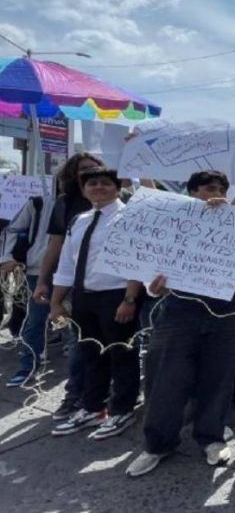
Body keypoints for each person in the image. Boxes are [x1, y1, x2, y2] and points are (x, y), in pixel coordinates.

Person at [126, 168, 235, 478]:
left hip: (226, 310)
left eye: (219, 188)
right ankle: (158, 444)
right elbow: (151, 268)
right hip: (179, 308)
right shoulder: (173, 221)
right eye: (206, 188)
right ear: (191, 193)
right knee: (165, 377)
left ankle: (211, 437)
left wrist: (232, 206)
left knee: (219, 376)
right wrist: (155, 284)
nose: (213, 193)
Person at [47, 169, 142, 439]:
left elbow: (137, 259)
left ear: (117, 186)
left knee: (121, 355)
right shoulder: (79, 220)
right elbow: (66, 263)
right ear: (83, 187)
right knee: (90, 354)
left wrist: (130, 298)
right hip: (83, 297)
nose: (98, 187)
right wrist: (56, 303)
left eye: (105, 183)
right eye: (92, 183)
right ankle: (93, 407)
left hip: (117, 297)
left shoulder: (130, 217)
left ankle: (122, 410)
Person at [33, 153, 106, 420]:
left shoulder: (119, 201)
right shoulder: (65, 204)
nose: (92, 174)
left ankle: (106, 395)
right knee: (78, 344)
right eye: (85, 170)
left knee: (114, 345)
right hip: (76, 288)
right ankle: (75, 394)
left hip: (113, 288)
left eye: (97, 169)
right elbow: (55, 245)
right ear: (73, 176)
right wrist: (43, 280)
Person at [1, 190, 54, 387]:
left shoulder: (95, 203)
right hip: (38, 270)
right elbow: (12, 229)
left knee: (77, 327)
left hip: (79, 274)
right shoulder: (39, 203)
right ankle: (29, 366)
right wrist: (8, 257)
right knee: (35, 320)